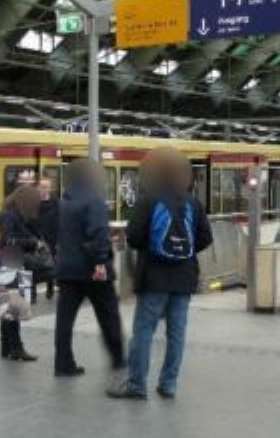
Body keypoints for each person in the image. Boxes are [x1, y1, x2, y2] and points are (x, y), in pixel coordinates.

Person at [107, 148, 212, 400]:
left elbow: (133, 237)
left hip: (153, 277)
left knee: (144, 331)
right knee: (176, 333)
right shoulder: (193, 203)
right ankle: (169, 384)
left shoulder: (148, 201)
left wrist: (152, 248)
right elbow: (206, 238)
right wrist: (184, 253)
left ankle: (137, 385)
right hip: (184, 278)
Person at [52, 159, 123, 378]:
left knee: (65, 319)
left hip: (67, 269)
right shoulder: (94, 200)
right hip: (92, 270)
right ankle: (118, 357)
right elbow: (99, 233)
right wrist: (100, 262)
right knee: (108, 315)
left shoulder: (63, 202)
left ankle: (63, 363)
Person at [0, 185, 42, 361]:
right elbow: (8, 240)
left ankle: (7, 347)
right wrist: (32, 242)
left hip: (13, 261)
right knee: (13, 309)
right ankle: (16, 348)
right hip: (11, 261)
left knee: (9, 309)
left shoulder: (16, 215)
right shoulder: (8, 215)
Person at [36, 176, 60, 302]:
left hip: (52, 238)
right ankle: (32, 290)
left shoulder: (56, 203)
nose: (44, 189)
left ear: (50, 189)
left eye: (46, 187)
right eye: (42, 187)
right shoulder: (33, 203)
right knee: (34, 263)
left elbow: (60, 221)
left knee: (50, 263)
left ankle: (50, 286)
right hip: (37, 238)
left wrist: (59, 240)